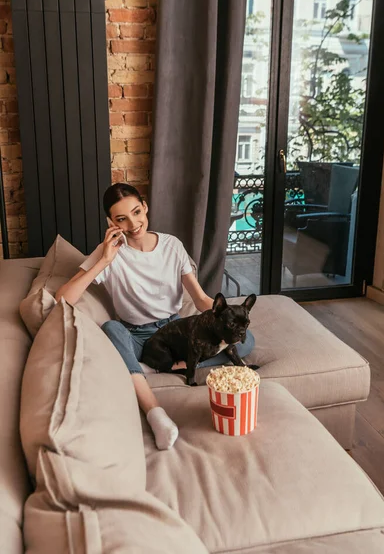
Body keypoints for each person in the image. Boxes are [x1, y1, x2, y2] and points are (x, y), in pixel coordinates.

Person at [56, 183, 255, 450]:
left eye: (137, 212)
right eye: (121, 219)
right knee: (112, 328)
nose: (133, 223)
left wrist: (225, 317)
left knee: (247, 340)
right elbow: (62, 298)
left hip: (178, 331)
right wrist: (104, 261)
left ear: (145, 206)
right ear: (110, 222)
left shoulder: (171, 245)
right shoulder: (109, 253)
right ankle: (155, 414)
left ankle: (162, 366)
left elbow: (198, 298)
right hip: (137, 335)